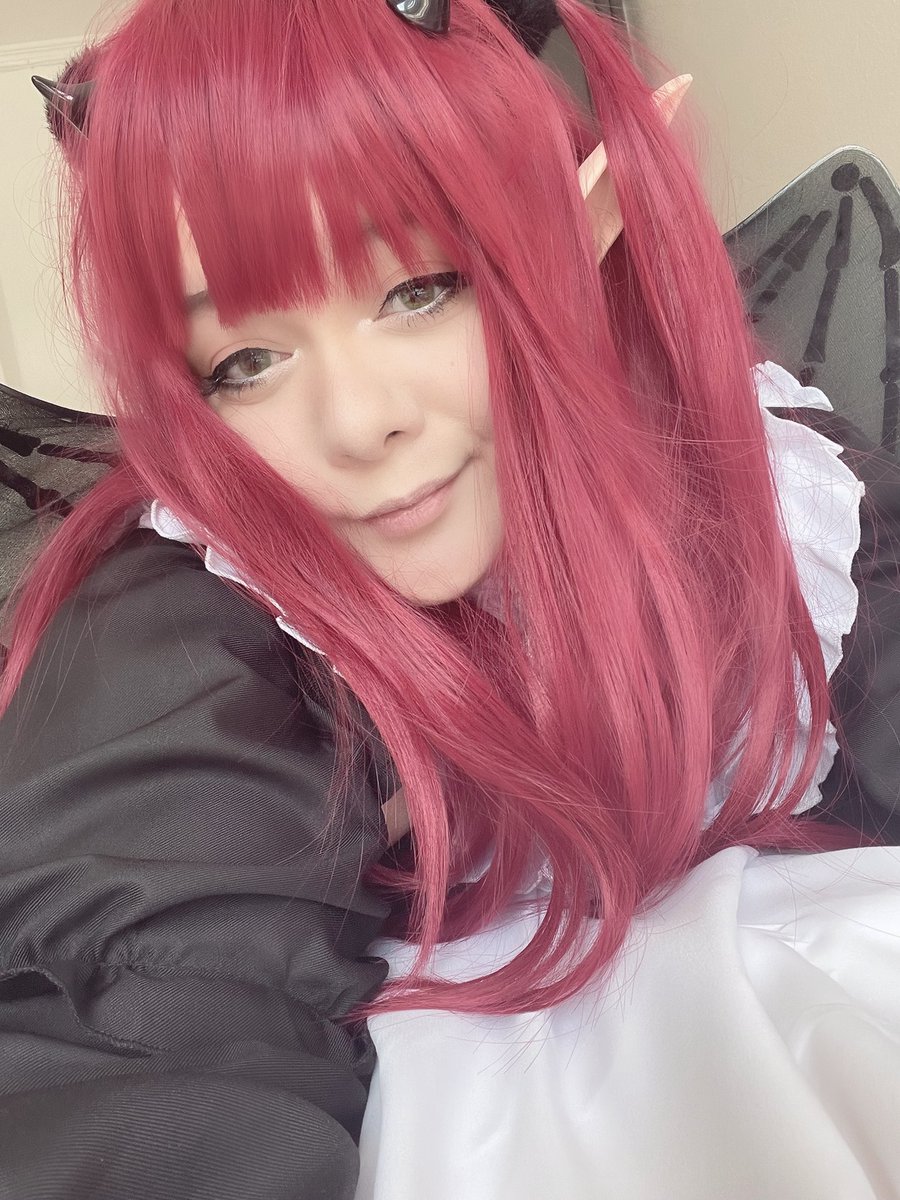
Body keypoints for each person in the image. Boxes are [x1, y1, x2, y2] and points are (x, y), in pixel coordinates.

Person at [0, 0, 898, 1196]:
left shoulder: (780, 490)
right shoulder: (191, 634)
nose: (358, 421)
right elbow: (139, 1050)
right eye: (246, 362)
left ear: (582, 230)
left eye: (419, 289)